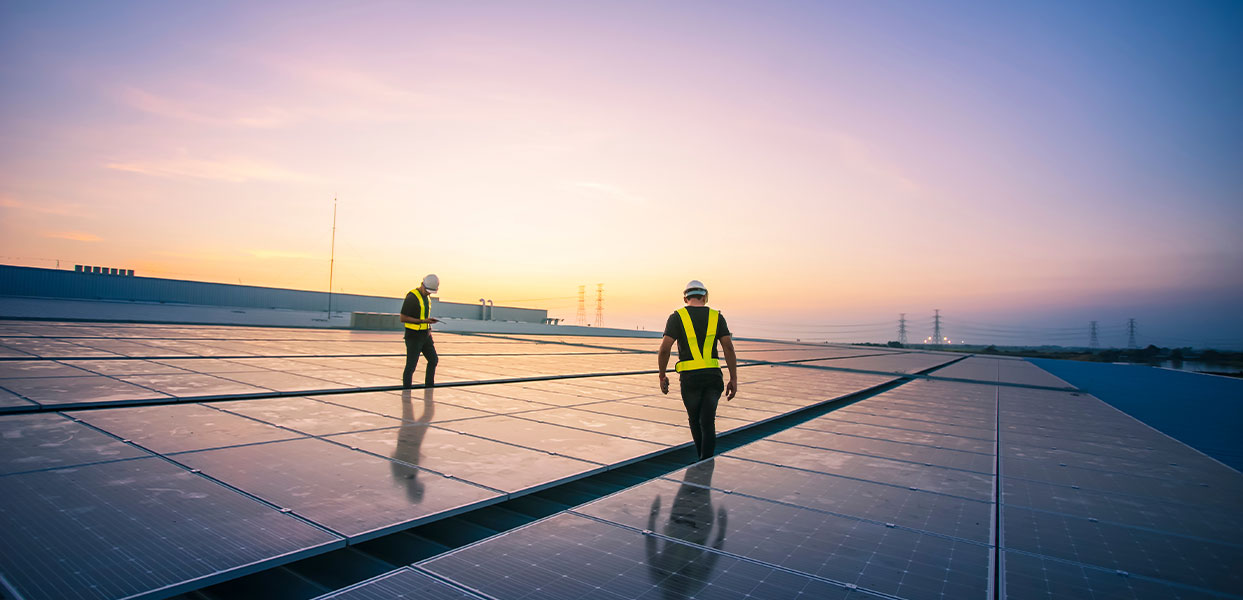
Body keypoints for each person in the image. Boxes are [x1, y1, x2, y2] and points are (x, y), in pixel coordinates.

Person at [657, 280, 738, 460]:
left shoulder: (677, 317)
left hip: (690, 379)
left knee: (694, 420)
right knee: (708, 422)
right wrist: (733, 378)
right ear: (705, 297)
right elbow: (729, 348)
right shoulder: (717, 317)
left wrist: (662, 375)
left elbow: (664, 349)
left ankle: (702, 460)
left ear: (685, 298)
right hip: (713, 378)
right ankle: (706, 461)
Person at [400, 274, 440, 387]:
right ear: (422, 284)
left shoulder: (427, 298)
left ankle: (429, 387)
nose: (429, 293)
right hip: (413, 337)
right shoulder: (412, 297)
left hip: (425, 335)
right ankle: (406, 391)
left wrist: (428, 324)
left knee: (433, 360)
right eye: (428, 291)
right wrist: (423, 321)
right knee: (411, 366)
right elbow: (403, 318)